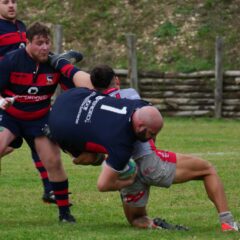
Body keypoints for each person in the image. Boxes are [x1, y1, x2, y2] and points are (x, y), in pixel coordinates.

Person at [68, 64, 239, 232]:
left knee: (136, 219)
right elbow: (150, 124)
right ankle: (228, 224)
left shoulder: (95, 111)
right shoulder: (130, 94)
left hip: (125, 168)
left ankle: (153, 225)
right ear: (116, 79)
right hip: (150, 162)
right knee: (207, 170)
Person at [0, 21, 90, 222]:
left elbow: (73, 93)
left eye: (47, 43)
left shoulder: (55, 64)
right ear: (27, 42)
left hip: (39, 119)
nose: (45, 47)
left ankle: (65, 214)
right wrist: (1, 101)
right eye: (39, 43)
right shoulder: (10, 61)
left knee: (53, 161)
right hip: (10, 117)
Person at [48, 86, 163, 192]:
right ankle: (60, 142)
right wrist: (130, 180)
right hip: (60, 127)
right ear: (140, 126)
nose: (153, 138)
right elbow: (103, 185)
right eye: (152, 134)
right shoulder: (122, 147)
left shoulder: (140, 104)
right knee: (91, 158)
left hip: (71, 95)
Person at [0, 0, 55, 204]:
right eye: (5, 2)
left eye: (14, 1)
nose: (11, 5)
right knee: (7, 145)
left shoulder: (22, 27)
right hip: (5, 93)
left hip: (26, 94)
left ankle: (49, 189)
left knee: (38, 143)